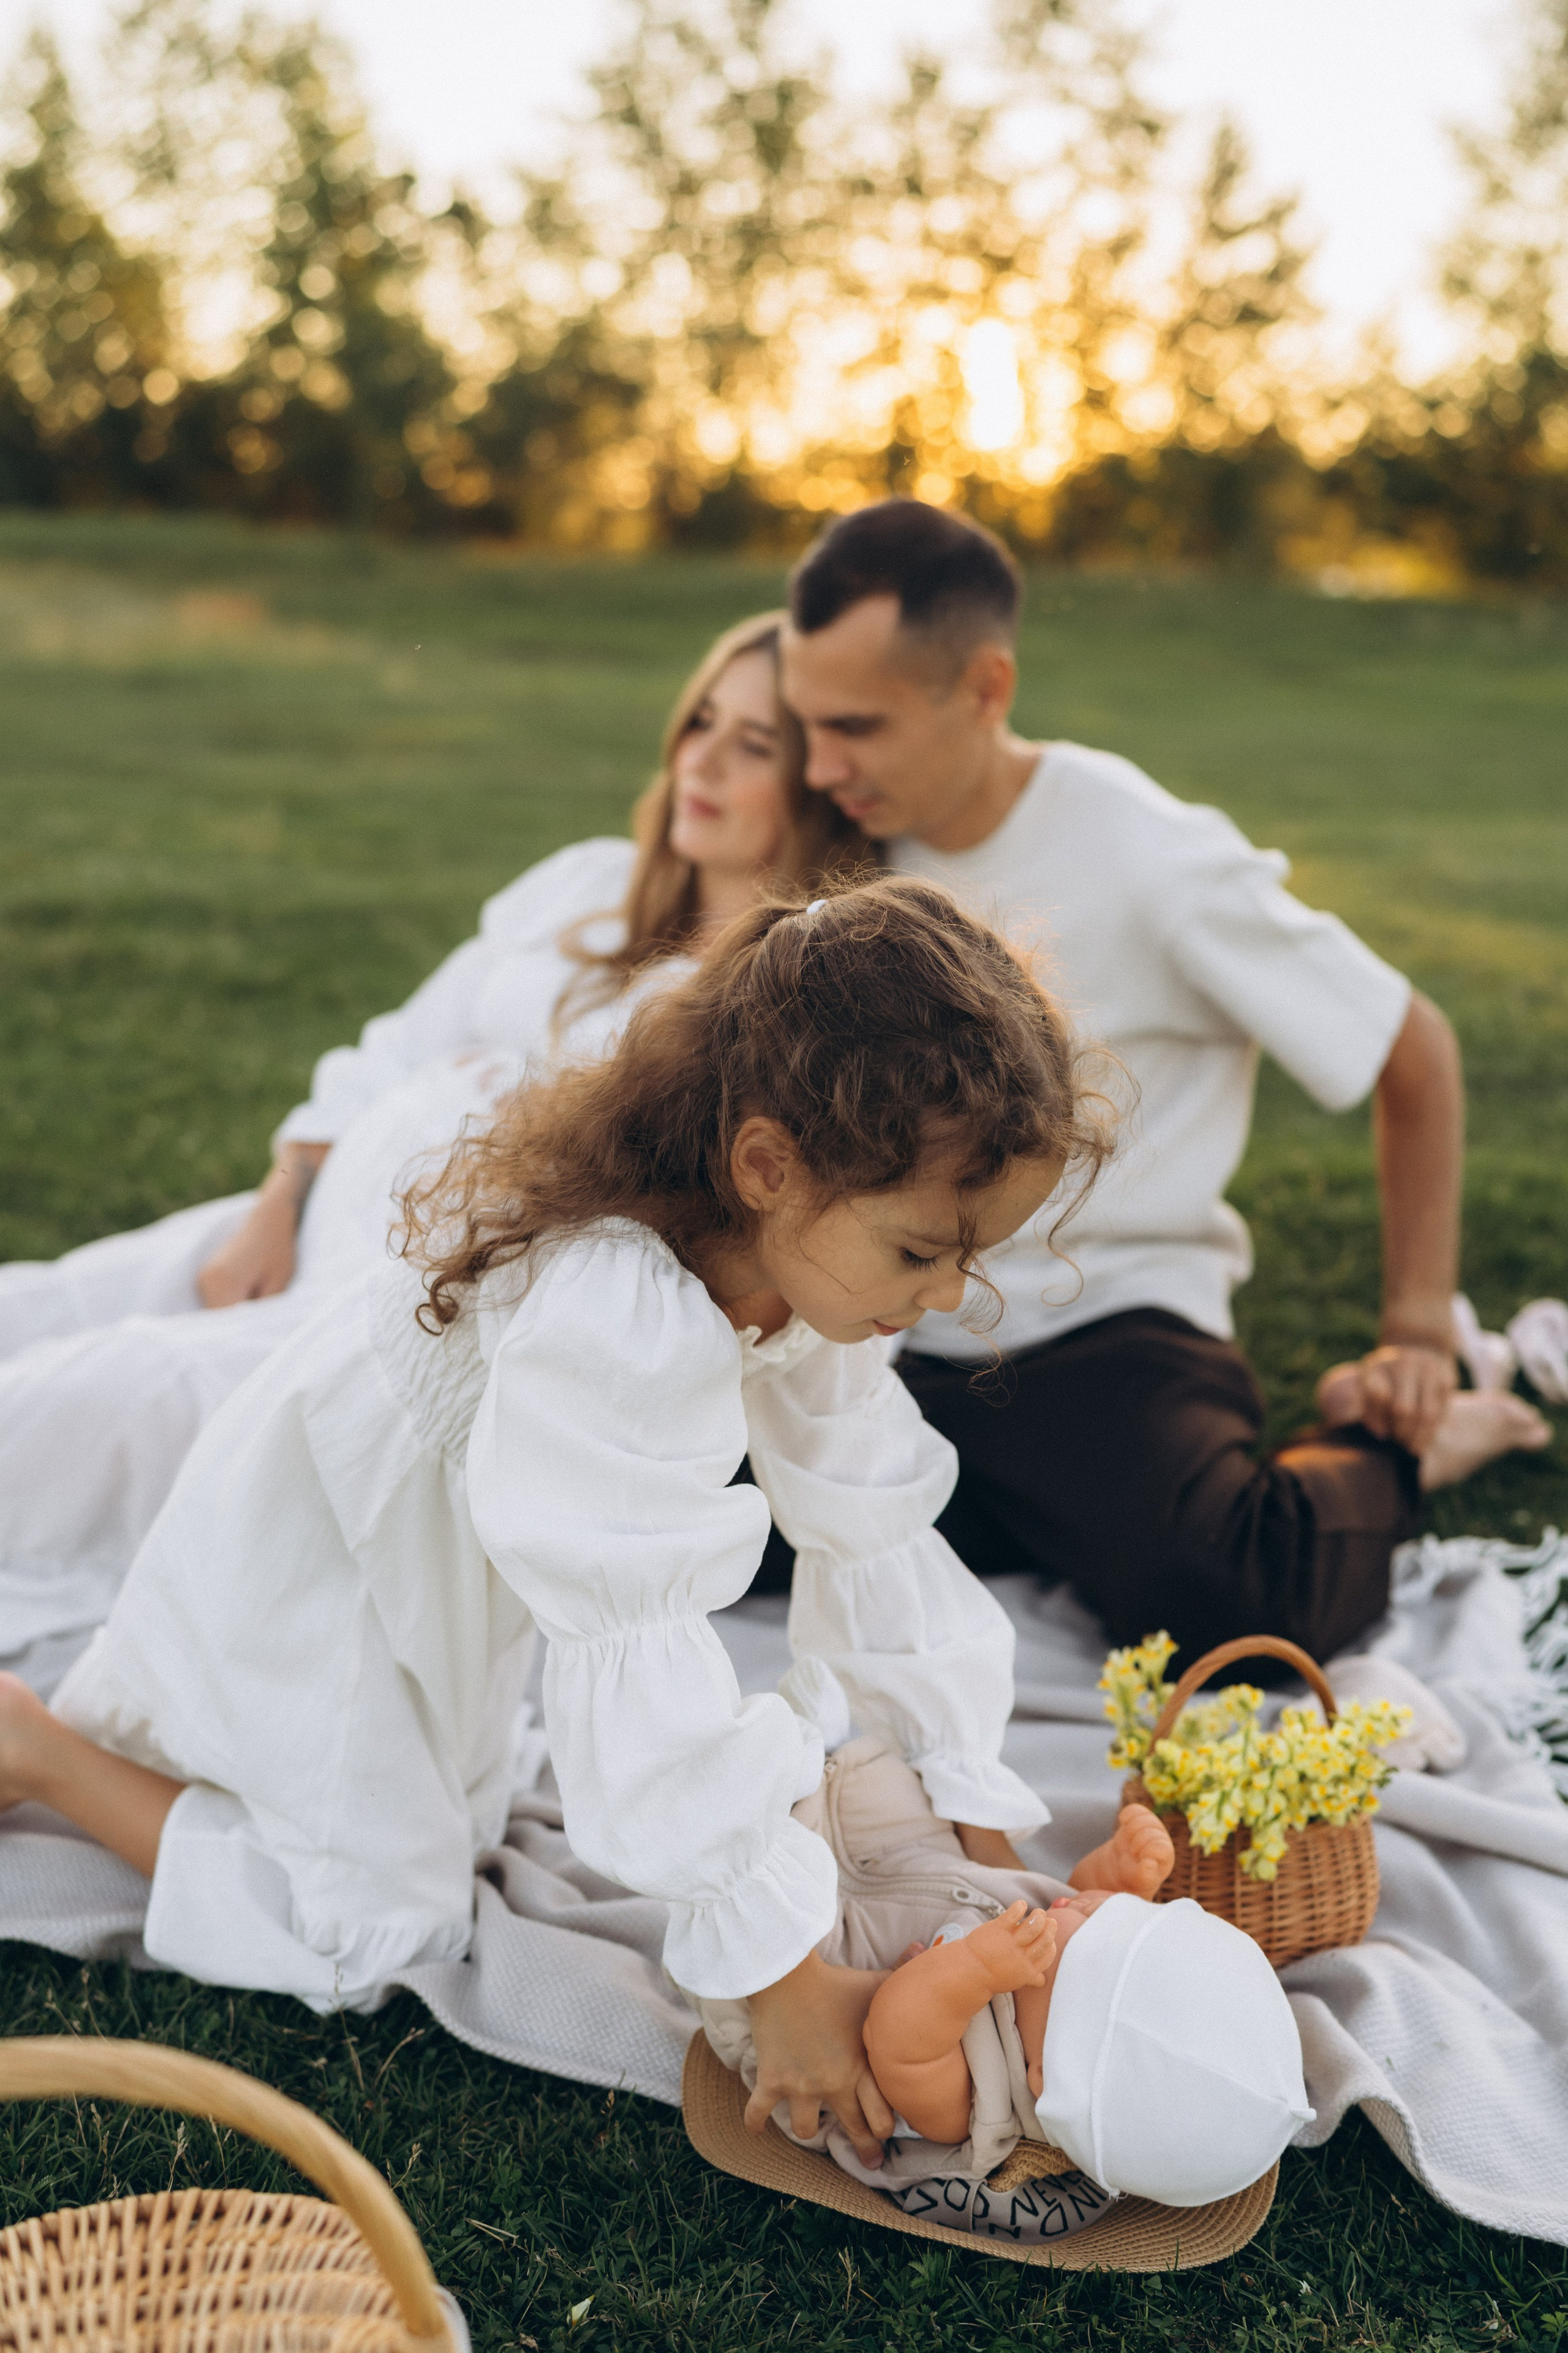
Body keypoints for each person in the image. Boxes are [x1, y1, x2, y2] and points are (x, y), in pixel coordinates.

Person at [0, 879, 1105, 2170]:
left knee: (450, 1827)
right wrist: (777, 1971)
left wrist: (976, 1831)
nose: (947, 1295)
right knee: (368, 1929)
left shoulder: (805, 1269)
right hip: (336, 1562)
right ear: (766, 1165)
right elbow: (626, 1633)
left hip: (463, 1570)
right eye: (922, 1251)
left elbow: (868, 1522)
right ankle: (40, 1750)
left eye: (970, 1258)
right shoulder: (618, 1314)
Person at [0, 613, 864, 1674]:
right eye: (700, 722)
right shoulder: (585, 884)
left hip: (405, 1308)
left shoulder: (759, 1016)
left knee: (103, 1395)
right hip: (312, 1217)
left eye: (754, 745)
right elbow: (397, 1043)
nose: (702, 760)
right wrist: (281, 1194)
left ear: (818, 787)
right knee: (44, 1304)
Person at [779, 500, 1550, 1665]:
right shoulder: (865, 841)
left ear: (985, 689)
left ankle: (1404, 1454)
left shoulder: (1149, 855)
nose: (822, 765)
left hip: (1107, 1329)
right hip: (895, 1328)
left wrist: (1412, 1332)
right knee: (721, 1526)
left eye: (855, 727)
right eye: (805, 725)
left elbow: (1413, 1044)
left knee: (1228, 1602)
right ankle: (1007, 1511)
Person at [700, 1739, 1310, 2229]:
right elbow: (1066, 1893)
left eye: (1092, 1935)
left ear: (1045, 2075)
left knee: (735, 1832)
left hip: (818, 1976)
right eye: (1121, 1917)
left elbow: (899, 2041)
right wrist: (1120, 1878)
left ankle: (748, 1835)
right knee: (878, 1774)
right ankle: (822, 1770)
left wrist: (970, 1974)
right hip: (917, 1868)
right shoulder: (1048, 1987)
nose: (1082, 1906)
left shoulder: (977, 2109)